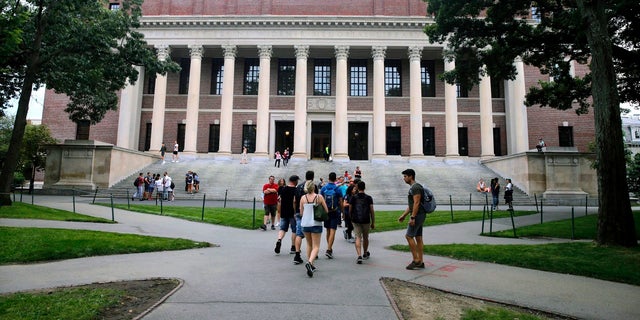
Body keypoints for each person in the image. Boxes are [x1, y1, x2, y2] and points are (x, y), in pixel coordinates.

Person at [398, 168, 427, 270]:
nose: (404, 178)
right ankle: (421, 261)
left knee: (409, 236)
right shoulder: (414, 187)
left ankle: (416, 260)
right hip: (419, 214)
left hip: (418, 215)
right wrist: (404, 215)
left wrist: (412, 217)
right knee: (418, 237)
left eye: (405, 176)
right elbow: (412, 204)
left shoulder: (415, 188)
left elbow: (417, 203)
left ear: (411, 176)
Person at [300, 180, 328, 277]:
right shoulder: (319, 197)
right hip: (316, 223)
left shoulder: (303, 198)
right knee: (316, 246)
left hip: (305, 223)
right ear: (314, 187)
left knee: (309, 244)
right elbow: (326, 210)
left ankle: (311, 264)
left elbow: (301, 212)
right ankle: (310, 262)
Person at [293, 170, 316, 265]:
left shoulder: (298, 187)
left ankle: (297, 254)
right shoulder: (313, 186)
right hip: (310, 213)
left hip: (299, 212)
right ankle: (313, 253)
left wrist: (295, 211)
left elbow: (294, 201)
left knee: (299, 233)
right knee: (312, 234)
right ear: (313, 177)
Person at [349, 180, 375, 264]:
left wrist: (350, 217)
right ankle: (365, 253)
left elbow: (350, 209)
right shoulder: (369, 198)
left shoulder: (354, 197)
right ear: (364, 187)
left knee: (358, 237)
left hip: (356, 219)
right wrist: (373, 221)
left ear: (357, 187)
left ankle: (359, 255)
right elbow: (371, 210)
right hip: (366, 220)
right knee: (365, 237)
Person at [320, 172, 343, 259]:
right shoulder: (337, 188)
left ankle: (329, 247)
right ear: (335, 179)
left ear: (328, 178)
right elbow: (341, 201)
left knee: (328, 230)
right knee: (333, 230)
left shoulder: (323, 188)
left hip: (326, 212)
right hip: (335, 211)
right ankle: (329, 249)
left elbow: (321, 200)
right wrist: (342, 212)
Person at [274, 175, 299, 255]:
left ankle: (279, 240)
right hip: (292, 213)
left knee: (282, 228)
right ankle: (293, 247)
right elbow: (294, 201)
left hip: (284, 212)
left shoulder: (283, 189)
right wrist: (295, 212)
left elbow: (279, 200)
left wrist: (280, 210)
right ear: (295, 181)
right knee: (294, 230)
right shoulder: (296, 190)